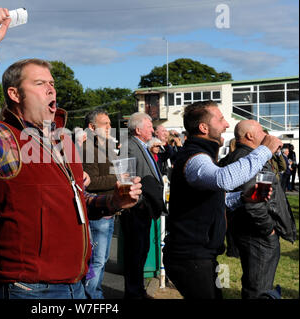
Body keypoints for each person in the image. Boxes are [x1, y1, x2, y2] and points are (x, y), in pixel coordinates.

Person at [0, 7, 142, 300]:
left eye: (52, 84)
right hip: (30, 290)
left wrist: (113, 201)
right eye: (40, 84)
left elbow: (79, 203)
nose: (51, 90)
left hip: (77, 287)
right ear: (15, 95)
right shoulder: (6, 139)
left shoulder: (64, 141)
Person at [163, 100, 283, 299]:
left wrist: (244, 198)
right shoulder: (195, 158)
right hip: (190, 256)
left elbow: (213, 200)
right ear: (203, 127)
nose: (227, 124)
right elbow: (224, 180)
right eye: (220, 119)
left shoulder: (204, 155)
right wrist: (264, 150)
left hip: (200, 255)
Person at [220, 120, 296, 299]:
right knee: (259, 290)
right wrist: (268, 230)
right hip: (257, 235)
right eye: (262, 131)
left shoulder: (240, 156)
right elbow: (254, 201)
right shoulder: (249, 160)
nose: (266, 135)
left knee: (254, 284)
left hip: (248, 232)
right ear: (250, 136)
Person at [120, 112, 166, 299]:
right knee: (135, 253)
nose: (153, 130)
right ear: (138, 130)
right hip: (136, 210)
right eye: (149, 127)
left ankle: (138, 290)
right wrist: (138, 203)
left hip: (144, 209)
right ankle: (133, 293)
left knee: (141, 252)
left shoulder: (142, 146)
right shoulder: (130, 147)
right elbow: (126, 178)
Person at [82, 109, 118, 299]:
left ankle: (94, 294)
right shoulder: (87, 149)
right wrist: (118, 178)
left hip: (107, 210)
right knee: (97, 261)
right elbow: (91, 182)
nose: (109, 128)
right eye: (106, 124)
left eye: (110, 124)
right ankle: (92, 297)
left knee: (101, 259)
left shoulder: (105, 147)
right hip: (97, 213)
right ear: (91, 127)